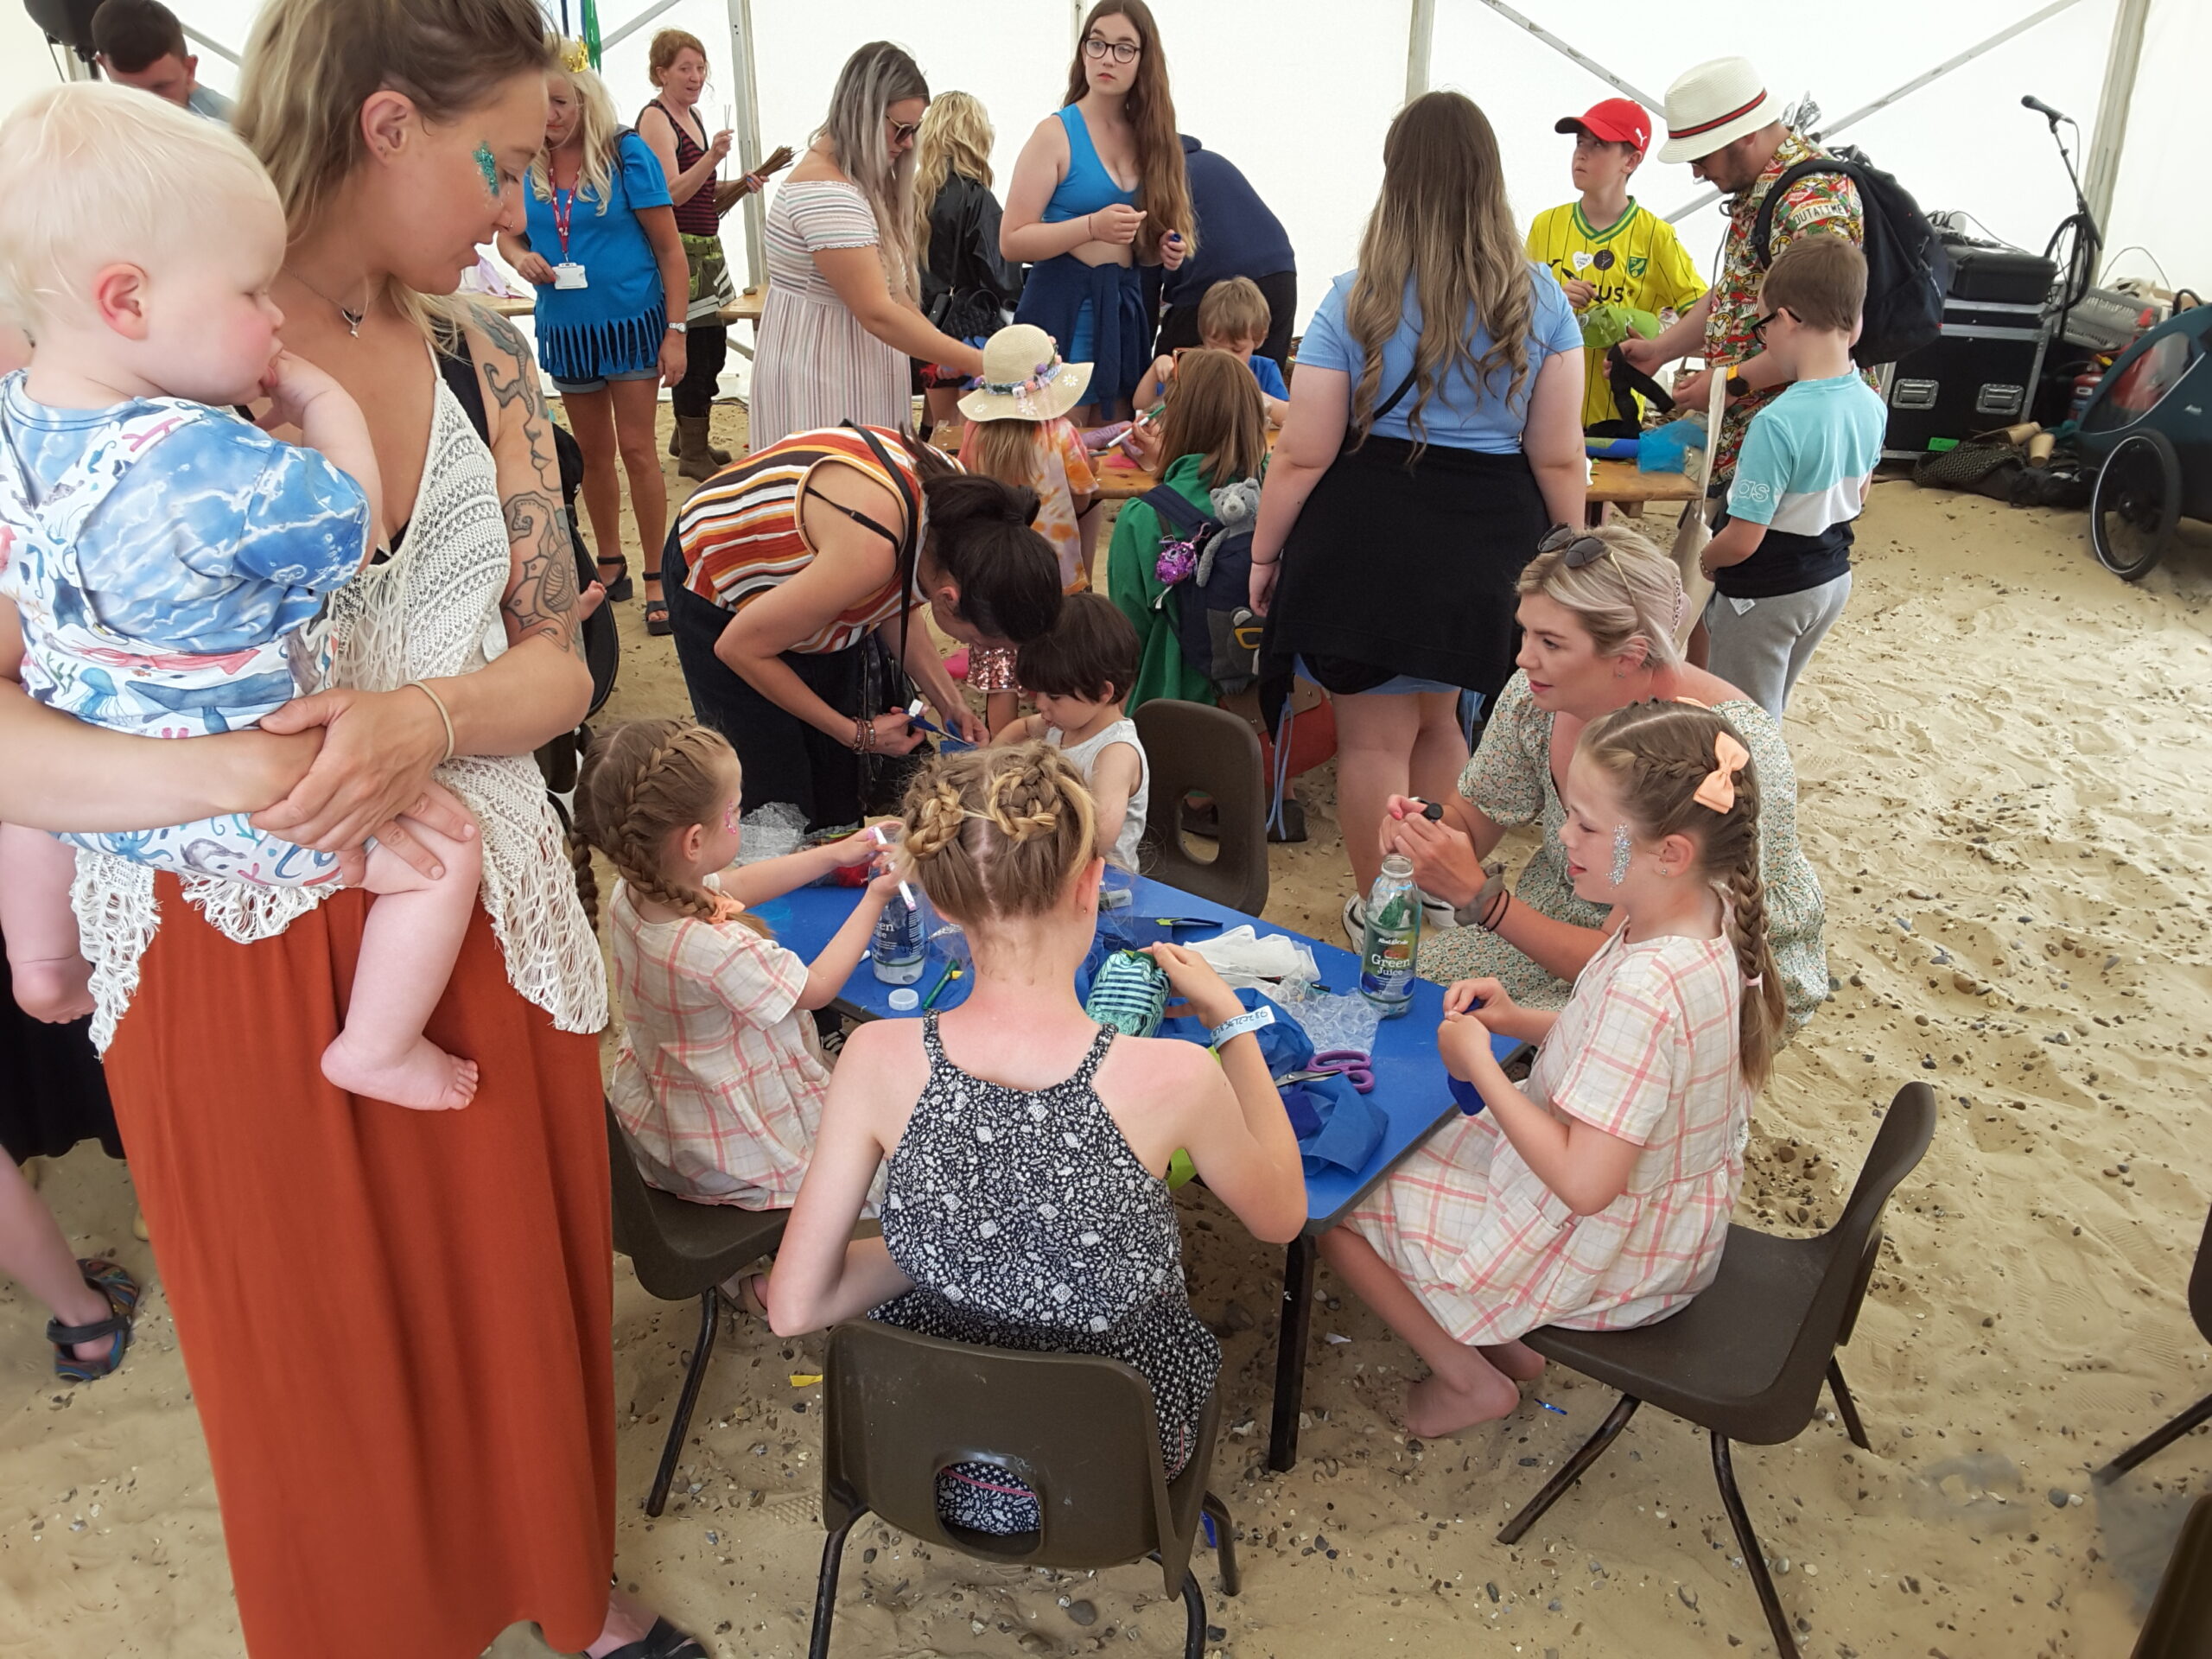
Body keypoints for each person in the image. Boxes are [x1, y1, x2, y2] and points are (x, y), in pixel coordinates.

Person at [3, 0, 706, 1649]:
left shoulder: (487, 356)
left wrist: (428, 719)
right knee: (306, 1348)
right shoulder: (101, 364)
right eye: (506, 156)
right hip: (220, 942)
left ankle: (558, 1585)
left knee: (509, 1303)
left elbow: (562, 663)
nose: (526, 206)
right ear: (388, 124)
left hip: (470, 914)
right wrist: (247, 779)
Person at [0, 86, 483, 1111]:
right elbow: (356, 531)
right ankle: (378, 1047)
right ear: (127, 301)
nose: (273, 317)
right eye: (251, 292)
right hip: (242, 781)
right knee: (444, 853)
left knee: (23, 806)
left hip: (72, 777)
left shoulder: (16, 417)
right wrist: (323, 402)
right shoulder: (208, 458)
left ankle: (42, 958)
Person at [766, 743, 1305, 1533]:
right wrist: (1235, 1023)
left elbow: (793, 1306)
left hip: (929, 1460)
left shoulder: (879, 1058)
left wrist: (955, 1243)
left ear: (943, 906)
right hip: (1113, 1479)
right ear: (1091, 884)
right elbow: (1282, 1216)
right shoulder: (1172, 1078)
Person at [1325, 698, 1781, 1438]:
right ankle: (1502, 1333)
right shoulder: (1698, 915)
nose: (1562, 837)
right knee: (1406, 1142)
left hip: (1613, 1254)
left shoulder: (1648, 987)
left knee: (1346, 1203)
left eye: (1588, 827)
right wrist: (1515, 1020)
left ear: (1670, 852)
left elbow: (1585, 1184)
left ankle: (1469, 1378)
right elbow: (1622, 1051)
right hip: (1659, 1223)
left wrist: (1486, 1068)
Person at [1247, 91, 1586, 944]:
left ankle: (1382, 916)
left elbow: (1303, 451)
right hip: (1487, 542)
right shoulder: (1541, 300)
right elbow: (1556, 454)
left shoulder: (1353, 297)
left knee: (1372, 742)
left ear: (1395, 180)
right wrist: (1576, 554)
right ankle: (1436, 895)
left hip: (1370, 537)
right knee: (1443, 719)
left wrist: (1262, 552)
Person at [1381, 524, 1828, 1032]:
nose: (1524, 657)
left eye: (1550, 641)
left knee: (1516, 1055)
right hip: (1559, 910)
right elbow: (1473, 814)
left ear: (1630, 655)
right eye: (1525, 631)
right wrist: (1425, 833)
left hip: (1686, 967)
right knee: (1414, 1006)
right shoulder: (1538, 698)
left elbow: (1636, 956)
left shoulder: (1721, 755)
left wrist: (1483, 900)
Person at [573, 718, 897, 1221]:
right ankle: (785, 1278)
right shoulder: (715, 947)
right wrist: (876, 897)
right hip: (734, 1141)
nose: (741, 819)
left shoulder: (637, 889)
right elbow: (815, 990)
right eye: (737, 810)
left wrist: (832, 854)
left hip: (676, 1114)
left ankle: (743, 1274)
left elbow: (735, 884)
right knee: (879, 1170)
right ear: (695, 841)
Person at [664, 424, 1061, 833]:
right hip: (720, 582)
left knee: (837, 787)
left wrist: (950, 704)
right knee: (775, 796)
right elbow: (739, 649)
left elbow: (893, 598)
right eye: (978, 641)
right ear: (949, 599)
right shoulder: (871, 552)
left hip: (819, 581)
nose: (974, 648)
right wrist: (858, 734)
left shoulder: (968, 520)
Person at [499, 61, 687, 636]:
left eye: (560, 103)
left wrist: (676, 331)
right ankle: (611, 562)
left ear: (585, 101)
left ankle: (657, 573)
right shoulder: (520, 158)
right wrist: (517, 257)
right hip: (567, 327)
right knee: (592, 454)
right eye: (540, 104)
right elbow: (504, 229)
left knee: (638, 450)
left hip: (631, 323)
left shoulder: (627, 153)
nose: (550, 117)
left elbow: (671, 251)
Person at [1617, 57, 1866, 487]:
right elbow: (1735, 292)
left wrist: (1730, 382)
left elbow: (1822, 335)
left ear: (1745, 134)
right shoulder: (1763, 187)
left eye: (1701, 157)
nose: (1696, 172)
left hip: (1791, 448)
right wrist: (1661, 350)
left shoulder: (1809, 203)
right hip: (1748, 435)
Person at [753, 43, 985, 449]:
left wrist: (943, 353)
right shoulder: (828, 194)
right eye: (901, 129)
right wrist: (980, 363)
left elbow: (897, 299)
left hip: (836, 373)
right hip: (827, 383)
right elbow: (878, 312)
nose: (909, 144)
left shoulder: (845, 184)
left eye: (914, 130)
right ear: (863, 111)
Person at [1696, 237, 1884, 717]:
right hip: (1830, 578)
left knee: (1743, 718)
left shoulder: (1777, 422)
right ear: (1855, 323)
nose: (1764, 341)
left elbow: (1743, 540)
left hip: (1766, 592)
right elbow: (1859, 495)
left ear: (1784, 319)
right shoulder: (1871, 401)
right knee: (1772, 700)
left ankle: (1758, 793)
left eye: (1762, 327)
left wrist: (1705, 560)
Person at [1003, 0, 1193, 423]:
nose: (1108, 58)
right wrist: (1091, 226)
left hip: (1122, 315)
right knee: (1055, 465)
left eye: (1124, 47)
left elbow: (1135, 245)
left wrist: (1159, 250)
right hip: (1059, 312)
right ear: (1083, 52)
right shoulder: (1055, 133)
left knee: (1113, 457)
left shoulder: (1151, 139)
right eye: (1097, 44)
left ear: (1144, 60)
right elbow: (1012, 240)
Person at [637, 29, 792, 481]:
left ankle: (688, 438)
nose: (695, 77)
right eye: (685, 68)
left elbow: (702, 192)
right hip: (679, 251)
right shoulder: (656, 120)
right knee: (695, 349)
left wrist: (742, 183)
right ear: (661, 72)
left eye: (701, 68)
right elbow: (667, 192)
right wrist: (711, 157)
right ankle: (692, 452)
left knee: (714, 347)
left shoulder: (695, 115)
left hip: (707, 251)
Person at [1525, 98, 1706, 434]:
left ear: (1632, 160)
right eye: (1580, 142)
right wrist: (1549, 300)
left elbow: (1707, 316)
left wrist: (1656, 339)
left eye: (1599, 145)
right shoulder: (1545, 225)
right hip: (1540, 419)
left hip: (1613, 425)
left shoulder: (1656, 236)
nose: (1581, 153)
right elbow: (1510, 316)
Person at [956, 324, 1099, 733]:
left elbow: (967, 477)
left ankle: (1000, 753)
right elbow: (1083, 496)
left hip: (991, 573)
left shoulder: (976, 432)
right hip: (1055, 576)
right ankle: (1054, 744)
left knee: (1001, 676)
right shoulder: (1059, 433)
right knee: (1056, 669)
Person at [1105, 346, 1267, 710]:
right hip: (1274, 706)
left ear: (1174, 419)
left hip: (1173, 708)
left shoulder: (1141, 517)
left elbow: (1128, 634)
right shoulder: (1280, 494)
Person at [994, 593, 1147, 869]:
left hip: (1101, 884)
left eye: (1053, 696)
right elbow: (1023, 728)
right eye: (1038, 692)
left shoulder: (1115, 753)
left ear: (1102, 692)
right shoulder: (1064, 723)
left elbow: (1098, 838)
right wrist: (987, 762)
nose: (1041, 704)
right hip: (1052, 863)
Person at [914, 91, 1025, 436]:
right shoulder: (977, 197)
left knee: (934, 427)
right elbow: (1001, 278)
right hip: (967, 336)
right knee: (963, 438)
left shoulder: (913, 194)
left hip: (921, 327)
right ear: (974, 136)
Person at [1154, 134, 1294, 373]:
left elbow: (1144, 286)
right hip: (1280, 273)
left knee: (1174, 379)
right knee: (1261, 384)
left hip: (1211, 284)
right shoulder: (1211, 162)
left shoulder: (1151, 180)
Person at [1134, 276, 1290, 424]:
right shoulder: (1191, 368)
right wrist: (1156, 368)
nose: (1225, 357)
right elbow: (1141, 404)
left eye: (1236, 350)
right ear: (1204, 336)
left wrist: (1252, 395)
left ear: (1259, 339)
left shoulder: (1264, 369)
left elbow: (1289, 417)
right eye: (1215, 347)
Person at [91, 0, 232, 121]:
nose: (147, 106)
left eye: (160, 87)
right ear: (104, 65)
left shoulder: (232, 130)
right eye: (131, 91)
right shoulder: (95, 119)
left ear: (189, 69)